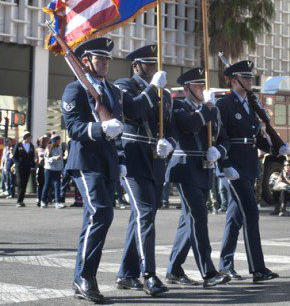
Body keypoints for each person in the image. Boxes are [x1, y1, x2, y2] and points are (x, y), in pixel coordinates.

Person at [61, 37, 166, 302]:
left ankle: (83, 277)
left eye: (108, 59)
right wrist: (99, 129)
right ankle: (85, 277)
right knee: (101, 213)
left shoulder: (112, 92)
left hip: (109, 163)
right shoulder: (75, 89)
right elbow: (73, 128)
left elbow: (136, 110)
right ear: (86, 62)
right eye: (100, 59)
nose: (106, 63)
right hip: (85, 162)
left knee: (97, 218)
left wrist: (153, 89)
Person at [216, 59, 287, 282]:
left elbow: (255, 138)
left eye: (250, 78)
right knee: (251, 214)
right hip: (234, 165)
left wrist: (275, 147)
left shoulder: (251, 105)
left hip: (249, 165)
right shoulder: (224, 104)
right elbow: (220, 136)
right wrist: (224, 165)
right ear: (234, 80)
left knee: (235, 218)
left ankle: (225, 265)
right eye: (245, 78)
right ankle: (257, 268)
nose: (249, 81)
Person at [115, 45, 173, 296]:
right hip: (134, 158)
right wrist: (152, 90)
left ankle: (126, 274)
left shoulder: (165, 94)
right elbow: (133, 110)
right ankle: (148, 273)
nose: (152, 68)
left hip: (155, 161)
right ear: (135, 66)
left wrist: (168, 143)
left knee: (141, 217)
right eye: (147, 64)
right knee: (145, 214)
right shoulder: (124, 85)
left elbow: (169, 126)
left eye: (154, 63)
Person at [166, 67, 230, 288]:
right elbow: (189, 125)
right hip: (185, 170)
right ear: (187, 89)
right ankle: (208, 272)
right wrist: (207, 110)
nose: (202, 89)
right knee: (198, 219)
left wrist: (219, 151)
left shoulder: (210, 110)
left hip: (205, 169)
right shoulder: (178, 106)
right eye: (197, 86)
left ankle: (173, 269)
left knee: (188, 222)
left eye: (202, 85)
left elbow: (224, 138)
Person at [41, 134, 65, 208]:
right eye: (58, 140)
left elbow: (61, 160)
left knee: (57, 185)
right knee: (47, 185)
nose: (59, 141)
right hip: (49, 169)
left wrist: (62, 169)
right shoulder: (48, 148)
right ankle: (43, 201)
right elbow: (47, 159)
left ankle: (57, 202)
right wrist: (54, 158)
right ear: (54, 141)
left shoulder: (59, 148)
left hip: (57, 169)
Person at [13, 132, 35, 207]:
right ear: (25, 137)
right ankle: (19, 201)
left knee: (25, 183)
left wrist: (32, 164)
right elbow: (14, 156)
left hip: (27, 167)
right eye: (29, 137)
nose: (30, 139)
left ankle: (21, 200)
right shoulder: (18, 145)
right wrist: (17, 163)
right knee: (20, 182)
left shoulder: (31, 146)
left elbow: (32, 157)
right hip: (19, 167)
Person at [35, 135, 48, 207]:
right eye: (42, 140)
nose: (43, 141)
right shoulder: (37, 150)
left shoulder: (48, 148)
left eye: (44, 140)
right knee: (40, 184)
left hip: (47, 168)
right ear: (39, 142)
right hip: (40, 168)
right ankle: (38, 198)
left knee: (46, 184)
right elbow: (36, 160)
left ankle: (45, 199)